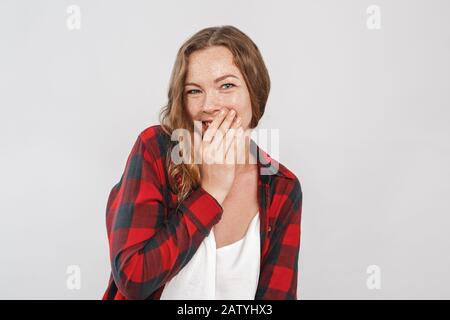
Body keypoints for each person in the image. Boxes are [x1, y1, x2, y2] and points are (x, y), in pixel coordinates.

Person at [102, 25, 303, 300]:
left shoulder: (282, 187)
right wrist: (211, 192)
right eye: (194, 91)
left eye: (227, 86)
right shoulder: (154, 151)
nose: (209, 104)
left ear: (254, 94)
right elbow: (134, 278)